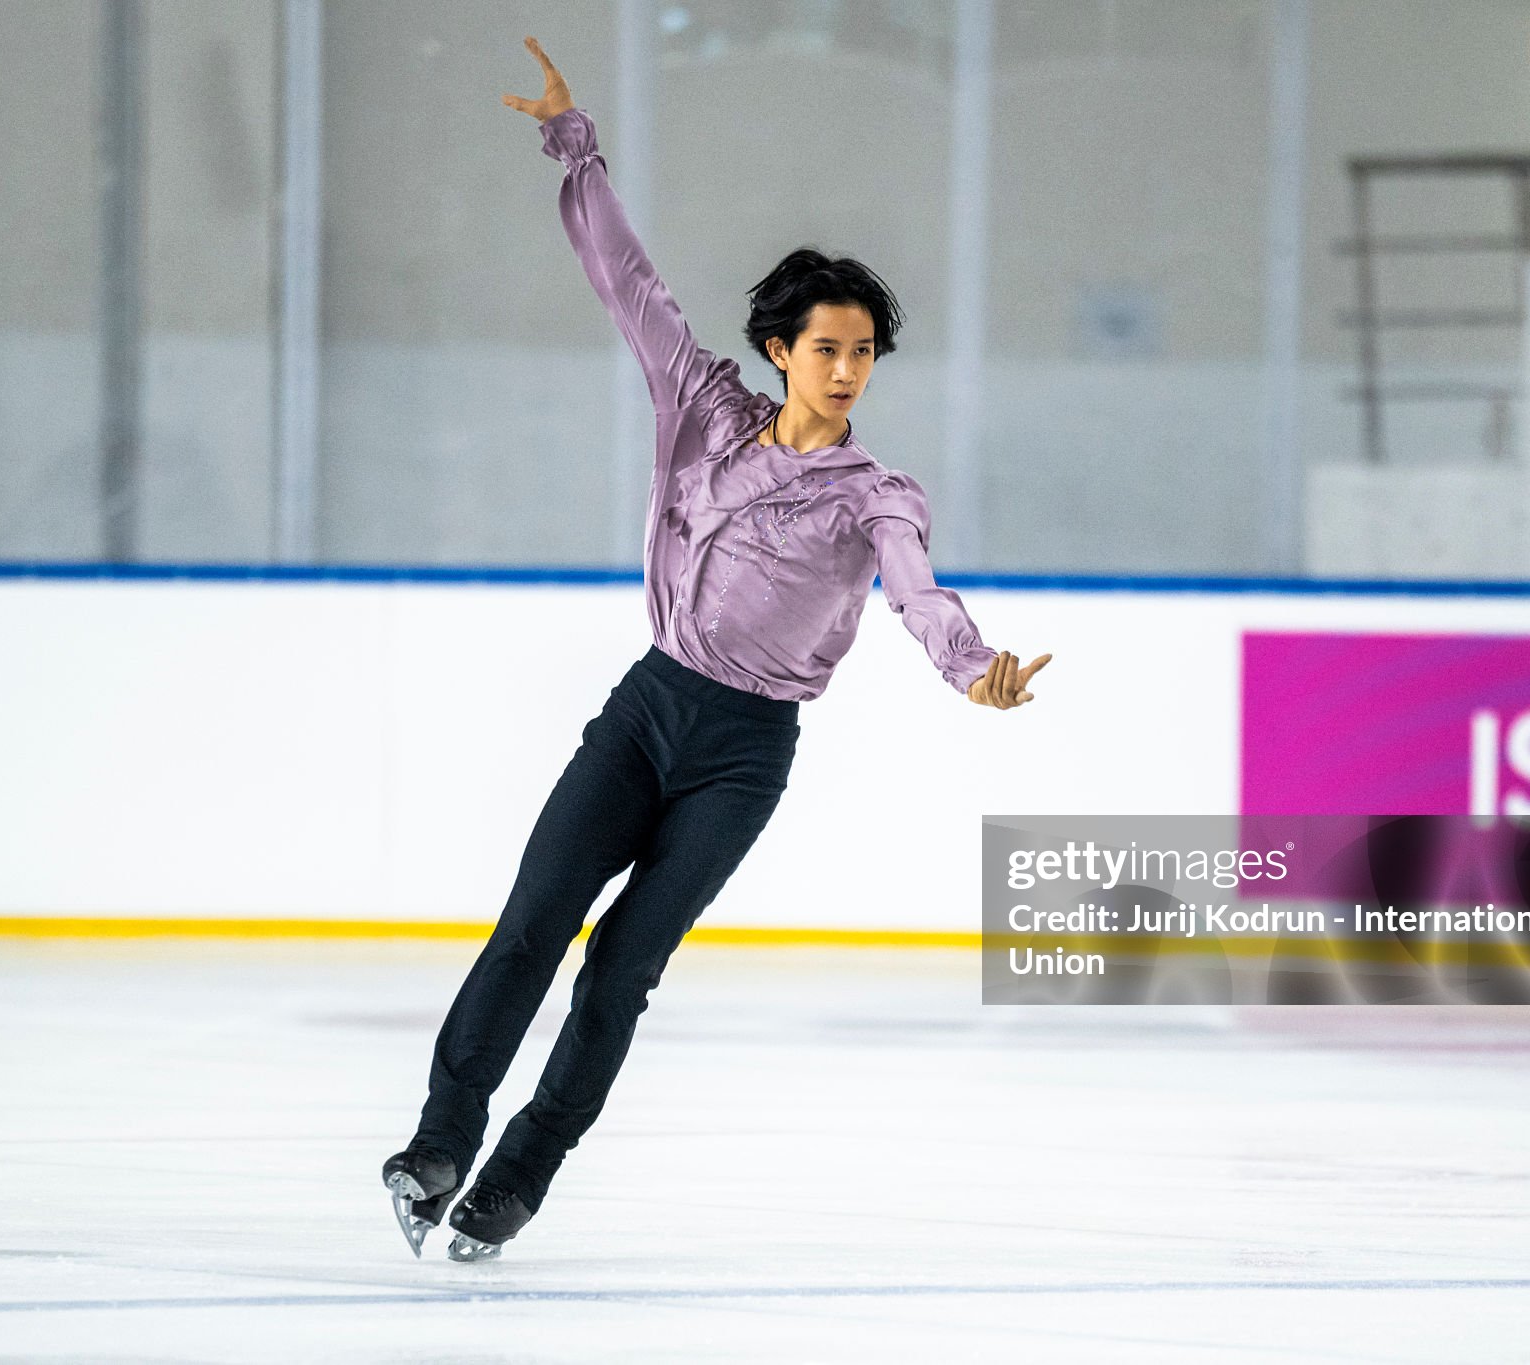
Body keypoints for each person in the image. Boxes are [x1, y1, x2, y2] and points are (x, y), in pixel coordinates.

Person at [382, 33, 1053, 1264]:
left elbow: (914, 590)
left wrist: (972, 667)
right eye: (826, 347)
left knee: (620, 969)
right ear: (779, 350)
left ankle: (518, 1178)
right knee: (531, 924)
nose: (845, 370)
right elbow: (625, 280)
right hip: (645, 712)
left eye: (863, 352)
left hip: (742, 753)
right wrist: (572, 146)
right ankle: (438, 1143)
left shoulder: (876, 493)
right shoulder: (700, 408)